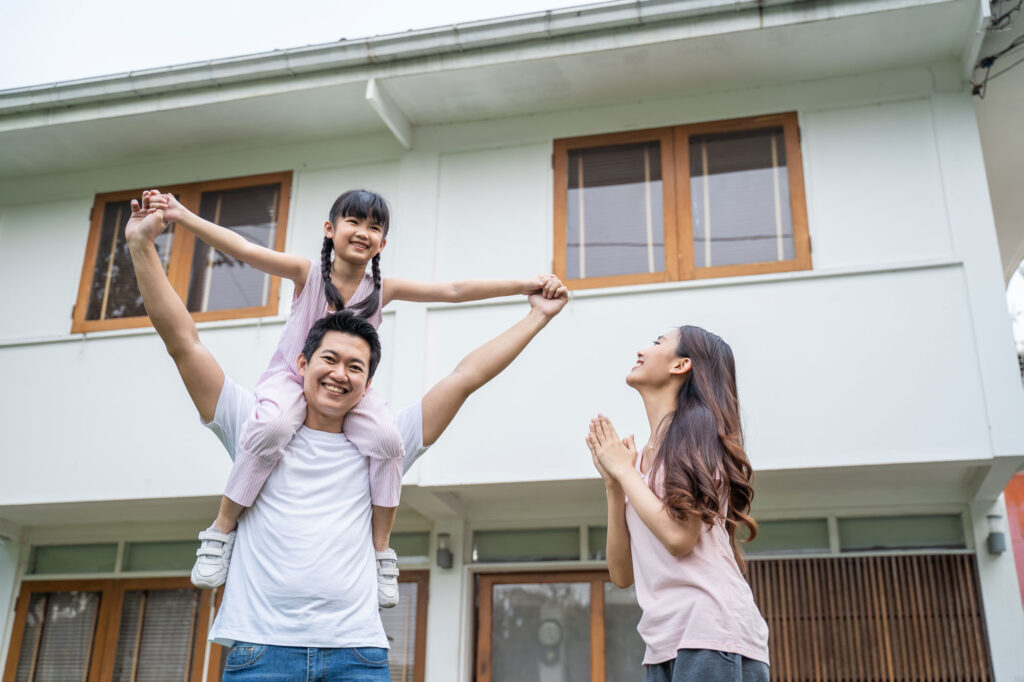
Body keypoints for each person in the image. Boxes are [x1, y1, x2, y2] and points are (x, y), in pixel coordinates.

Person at [125, 196, 567, 679]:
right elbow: (183, 341)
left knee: (390, 441)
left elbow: (466, 375)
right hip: (261, 652)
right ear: (302, 364)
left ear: (368, 382)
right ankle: (220, 532)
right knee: (273, 426)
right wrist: (143, 245)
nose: (340, 374)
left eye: (355, 366)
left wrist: (536, 313)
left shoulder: (380, 441)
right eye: (329, 360)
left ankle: (383, 554)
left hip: (357, 655)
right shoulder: (255, 422)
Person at [585, 326, 769, 682]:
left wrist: (624, 472)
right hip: (663, 644)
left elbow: (679, 538)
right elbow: (621, 575)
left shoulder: (697, 432)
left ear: (681, 365)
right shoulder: (636, 463)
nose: (642, 350)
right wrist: (614, 485)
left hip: (712, 633)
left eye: (658, 343)